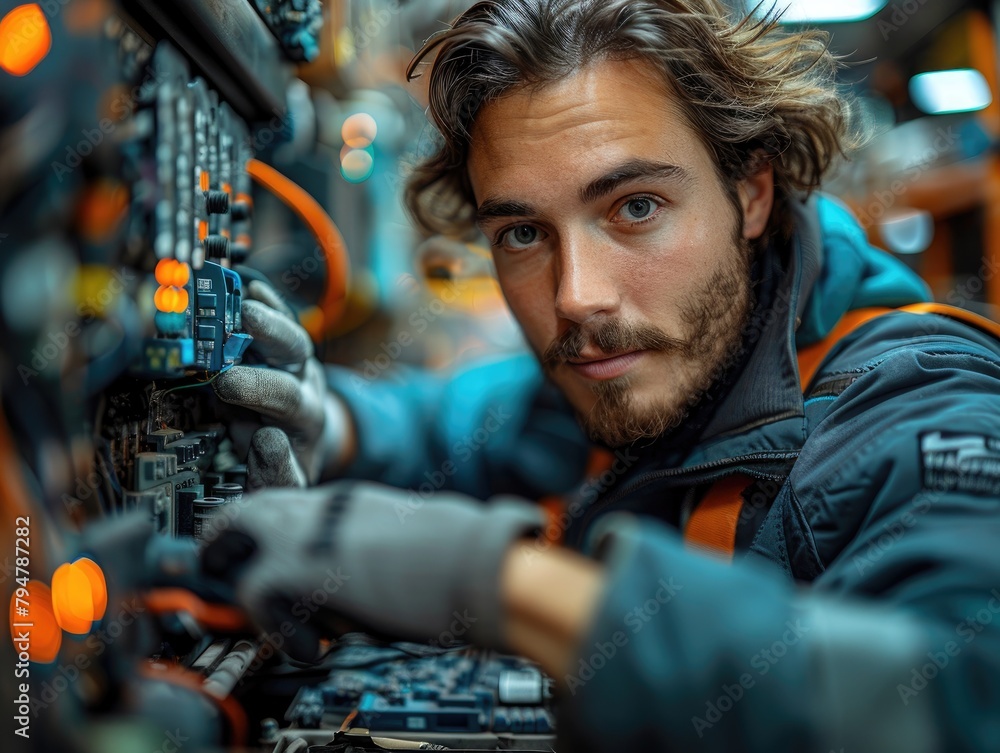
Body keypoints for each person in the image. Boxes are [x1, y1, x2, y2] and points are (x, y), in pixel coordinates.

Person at [205, 1, 1000, 750]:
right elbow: (439, 424)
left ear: (751, 192)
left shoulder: (916, 407)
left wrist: (497, 582)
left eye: (636, 207)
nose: (576, 295)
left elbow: (971, 696)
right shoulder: (610, 379)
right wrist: (325, 420)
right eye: (523, 231)